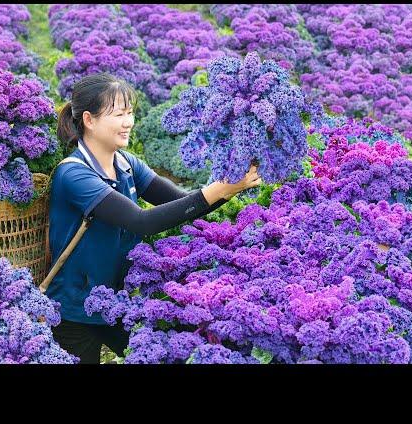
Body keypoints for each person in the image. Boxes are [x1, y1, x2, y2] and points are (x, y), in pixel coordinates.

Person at [47, 73, 262, 364]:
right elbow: (141, 221)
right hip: (76, 311)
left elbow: (181, 203)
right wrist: (217, 190)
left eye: (130, 113)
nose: (128, 122)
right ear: (89, 119)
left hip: (117, 304)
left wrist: (230, 185)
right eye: (119, 114)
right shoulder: (74, 174)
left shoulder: (126, 163)